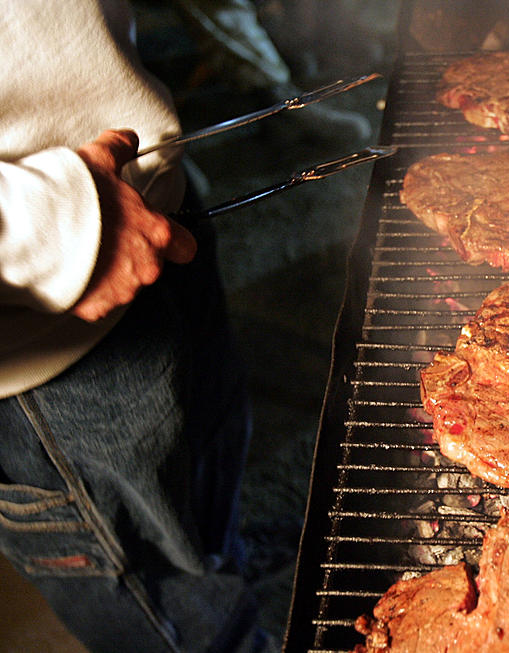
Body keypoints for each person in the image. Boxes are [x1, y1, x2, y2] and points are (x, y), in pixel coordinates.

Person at [0, 2, 272, 651]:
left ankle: (220, 556)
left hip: (149, 195)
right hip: (50, 332)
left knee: (208, 460)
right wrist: (50, 230)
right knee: (160, 597)